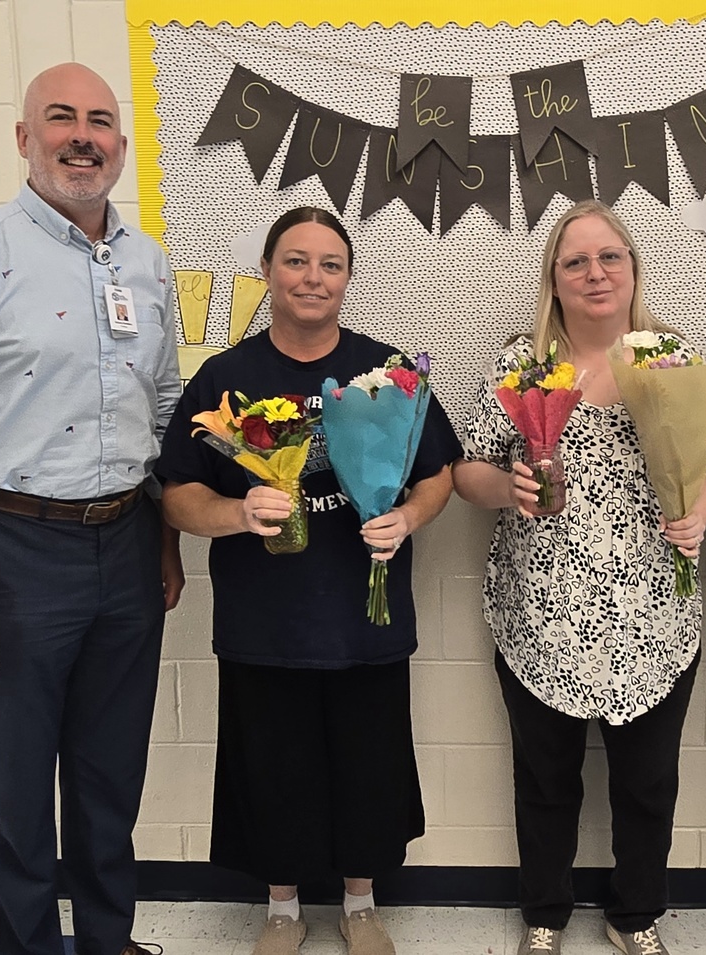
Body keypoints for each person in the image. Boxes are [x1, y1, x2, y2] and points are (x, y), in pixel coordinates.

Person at [0, 64, 184, 955]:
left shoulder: (145, 264)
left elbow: (161, 407)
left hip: (129, 543)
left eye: (101, 121)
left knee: (112, 782)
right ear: (24, 137)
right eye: (61, 118)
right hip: (11, 553)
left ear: (120, 143)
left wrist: (167, 540)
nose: (84, 135)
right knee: (21, 788)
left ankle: (108, 943)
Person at [156, 206, 461, 955]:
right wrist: (235, 510)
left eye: (329, 263)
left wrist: (410, 518)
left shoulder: (388, 372)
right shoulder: (226, 377)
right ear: (267, 271)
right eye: (295, 261)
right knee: (274, 766)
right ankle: (283, 906)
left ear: (348, 278)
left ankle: (362, 903)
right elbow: (174, 492)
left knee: (369, 763)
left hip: (366, 616)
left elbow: (439, 473)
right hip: (267, 621)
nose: (312, 277)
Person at [452, 199, 706, 955]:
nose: (595, 272)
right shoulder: (525, 362)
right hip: (542, 612)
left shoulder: (669, 356)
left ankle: (635, 911)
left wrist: (700, 513)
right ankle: (544, 912)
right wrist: (506, 484)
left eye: (610, 256)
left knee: (648, 784)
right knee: (545, 780)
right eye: (576, 260)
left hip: (654, 615)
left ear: (634, 267)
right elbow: (465, 472)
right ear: (554, 277)